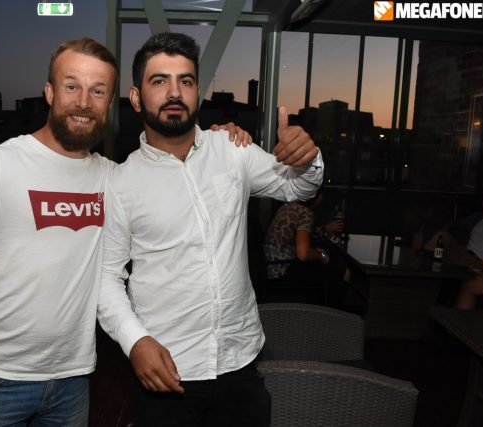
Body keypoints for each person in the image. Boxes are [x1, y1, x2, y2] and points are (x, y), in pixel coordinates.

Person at [0, 38, 252, 426]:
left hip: (72, 381)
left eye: (97, 91)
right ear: (49, 92)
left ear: (109, 103)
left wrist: (216, 138)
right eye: (71, 86)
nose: (83, 101)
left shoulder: (112, 178)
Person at [97, 32, 323, 426]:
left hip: (241, 361)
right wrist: (135, 343)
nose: (174, 92)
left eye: (185, 81)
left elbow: (297, 187)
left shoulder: (231, 150)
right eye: (159, 80)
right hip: (168, 369)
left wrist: (306, 158)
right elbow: (105, 277)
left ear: (197, 93)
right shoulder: (119, 182)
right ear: (135, 98)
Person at [263, 187, 350, 307]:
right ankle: (331, 309)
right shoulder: (306, 213)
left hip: (270, 267)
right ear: (318, 197)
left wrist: (325, 229)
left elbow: (302, 234)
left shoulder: (288, 206)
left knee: (327, 261)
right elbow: (303, 255)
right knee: (341, 270)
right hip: (283, 271)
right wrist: (322, 255)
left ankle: (318, 304)